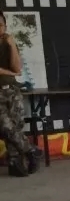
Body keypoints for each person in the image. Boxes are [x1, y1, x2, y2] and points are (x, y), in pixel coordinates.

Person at [0, 11, 41, 177]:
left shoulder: (8, 42)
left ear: (5, 26)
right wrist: (9, 72)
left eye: (0, 25)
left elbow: (17, 68)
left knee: (15, 126)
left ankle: (16, 164)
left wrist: (11, 45)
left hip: (12, 90)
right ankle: (31, 150)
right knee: (5, 127)